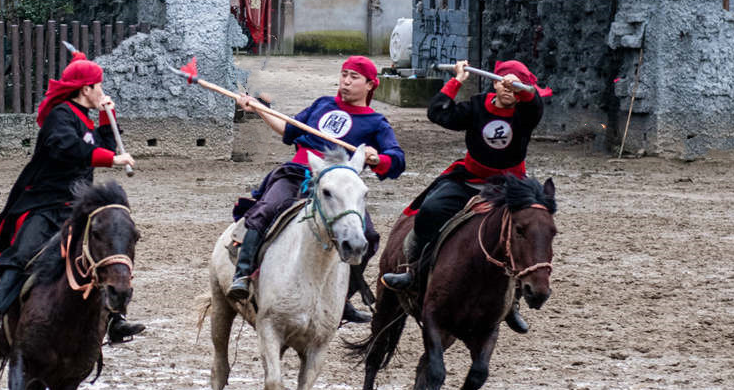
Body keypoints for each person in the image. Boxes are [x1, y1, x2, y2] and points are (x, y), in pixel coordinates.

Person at [224, 55, 404, 322]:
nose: (345, 81)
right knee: (266, 209)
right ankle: (243, 276)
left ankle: (343, 298)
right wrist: (259, 108)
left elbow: (397, 159)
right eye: (344, 74)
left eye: (354, 77)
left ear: (370, 85)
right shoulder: (323, 104)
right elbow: (288, 129)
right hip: (298, 173)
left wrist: (378, 158)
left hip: (339, 187)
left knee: (367, 234)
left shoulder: (376, 122)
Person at [0, 52, 141, 343]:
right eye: (98, 86)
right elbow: (68, 147)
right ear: (85, 89)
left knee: (105, 252)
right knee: (24, 252)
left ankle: (116, 318)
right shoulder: (60, 116)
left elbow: (97, 145)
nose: (102, 91)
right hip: (46, 202)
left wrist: (106, 118)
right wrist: (112, 159)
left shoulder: (84, 119)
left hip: (78, 205)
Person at [381, 58, 550, 333]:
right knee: (431, 210)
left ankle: (513, 301)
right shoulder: (477, 105)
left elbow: (535, 103)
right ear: (494, 83)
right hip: (470, 177)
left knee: (528, 230)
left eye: (516, 86)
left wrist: (522, 90)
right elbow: (439, 113)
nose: (508, 90)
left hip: (510, 185)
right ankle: (413, 271)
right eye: (504, 83)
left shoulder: (525, 113)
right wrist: (457, 80)